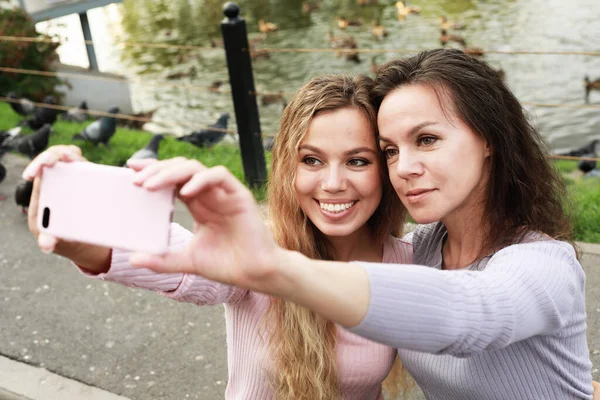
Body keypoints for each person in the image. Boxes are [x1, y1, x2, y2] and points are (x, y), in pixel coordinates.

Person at [100, 49, 596, 399]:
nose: (403, 167)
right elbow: (189, 264)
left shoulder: (543, 262)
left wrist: (272, 269)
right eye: (390, 151)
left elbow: (473, 315)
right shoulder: (422, 250)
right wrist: (86, 226)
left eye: (426, 139)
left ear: (490, 138)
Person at [23, 75, 414, 399]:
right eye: (311, 160)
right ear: (286, 168)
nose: (332, 184)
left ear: (385, 167)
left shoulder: (411, 262)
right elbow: (183, 260)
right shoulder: (257, 247)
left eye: (357, 160)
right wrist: (74, 237)